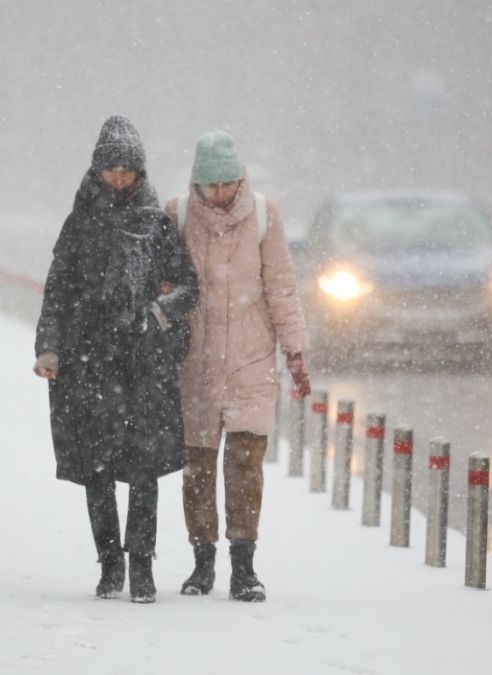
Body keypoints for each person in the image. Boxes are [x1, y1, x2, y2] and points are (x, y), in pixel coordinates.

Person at [34, 115, 198, 604]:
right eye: (112, 168)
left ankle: (142, 565)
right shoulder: (78, 223)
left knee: (144, 468)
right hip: (89, 362)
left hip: (143, 361)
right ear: (97, 169)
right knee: (98, 467)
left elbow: (188, 285)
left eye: (129, 168)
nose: (121, 176)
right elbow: (57, 289)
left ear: (141, 171)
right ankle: (109, 563)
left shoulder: (156, 224)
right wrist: (49, 346)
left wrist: (157, 310)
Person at [165, 131, 311, 602]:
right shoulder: (178, 215)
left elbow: (282, 287)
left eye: (228, 184)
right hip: (196, 363)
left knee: (246, 464)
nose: (221, 194)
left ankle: (244, 567)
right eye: (212, 186)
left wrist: (295, 351)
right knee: (198, 466)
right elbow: (165, 284)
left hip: (251, 359)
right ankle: (201, 563)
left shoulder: (265, 217)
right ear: (197, 184)